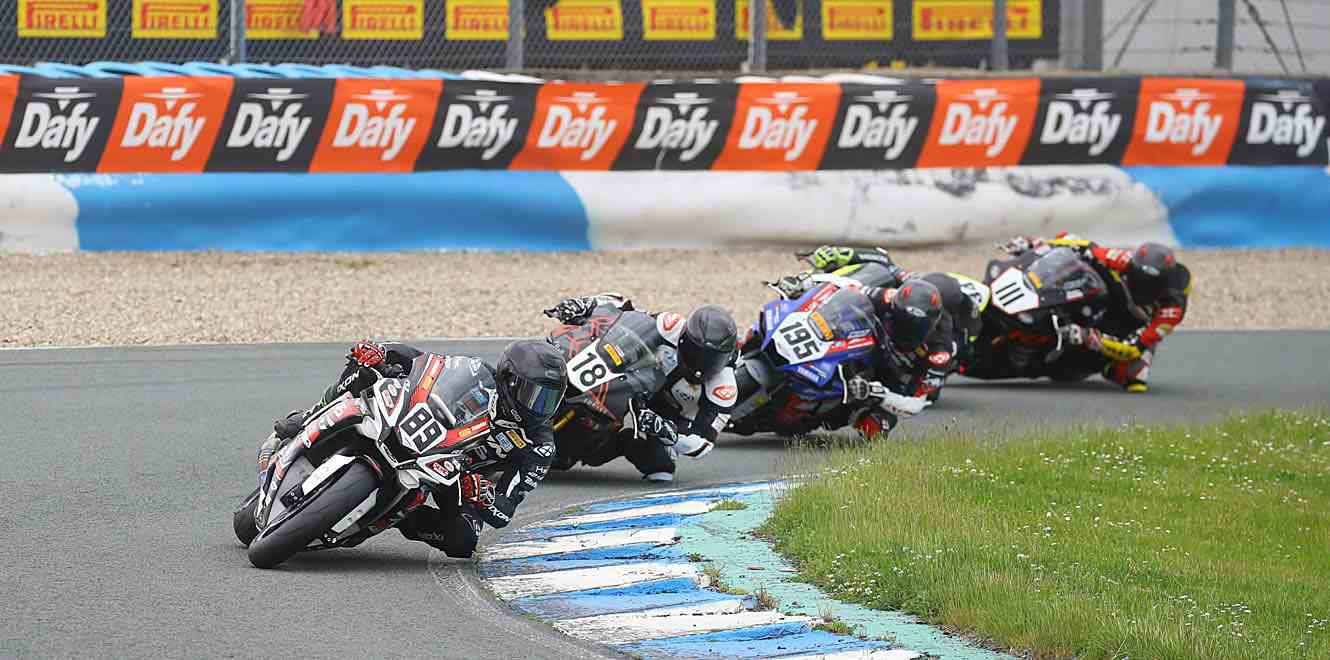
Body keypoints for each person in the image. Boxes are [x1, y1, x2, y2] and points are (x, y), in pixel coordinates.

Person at [261, 338, 566, 557]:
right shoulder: (476, 372)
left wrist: (483, 496)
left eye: (550, 400)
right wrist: (380, 353)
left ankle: (396, 515)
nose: (540, 408)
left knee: (463, 540)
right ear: (510, 379)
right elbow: (421, 362)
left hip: (455, 476)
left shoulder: (539, 445)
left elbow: (504, 512)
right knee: (364, 369)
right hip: (418, 430)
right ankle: (310, 416)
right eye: (535, 395)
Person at [545, 293, 737, 482]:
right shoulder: (671, 326)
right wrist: (586, 304)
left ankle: (605, 444)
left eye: (713, 358)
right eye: (696, 352)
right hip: (636, 383)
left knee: (661, 468)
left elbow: (703, 444)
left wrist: (665, 430)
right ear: (684, 338)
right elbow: (626, 309)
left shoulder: (723, 389)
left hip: (667, 420)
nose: (702, 361)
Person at [776, 245, 974, 401]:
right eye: (902, 320)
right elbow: (862, 280)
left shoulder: (941, 348)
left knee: (886, 410)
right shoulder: (896, 293)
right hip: (876, 334)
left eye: (913, 325)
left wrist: (880, 393)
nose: (905, 327)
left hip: (897, 366)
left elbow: (921, 395)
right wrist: (811, 282)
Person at [999, 232, 1191, 392]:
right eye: (1138, 279)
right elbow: (1081, 245)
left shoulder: (1171, 310)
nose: (1142, 287)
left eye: (1150, 285)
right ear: (1131, 268)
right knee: (1074, 260)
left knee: (1133, 377)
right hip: (1112, 296)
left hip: (1131, 325)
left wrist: (1087, 336)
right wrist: (1035, 245)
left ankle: (1099, 362)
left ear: (1164, 284)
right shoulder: (1123, 260)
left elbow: (1134, 347)